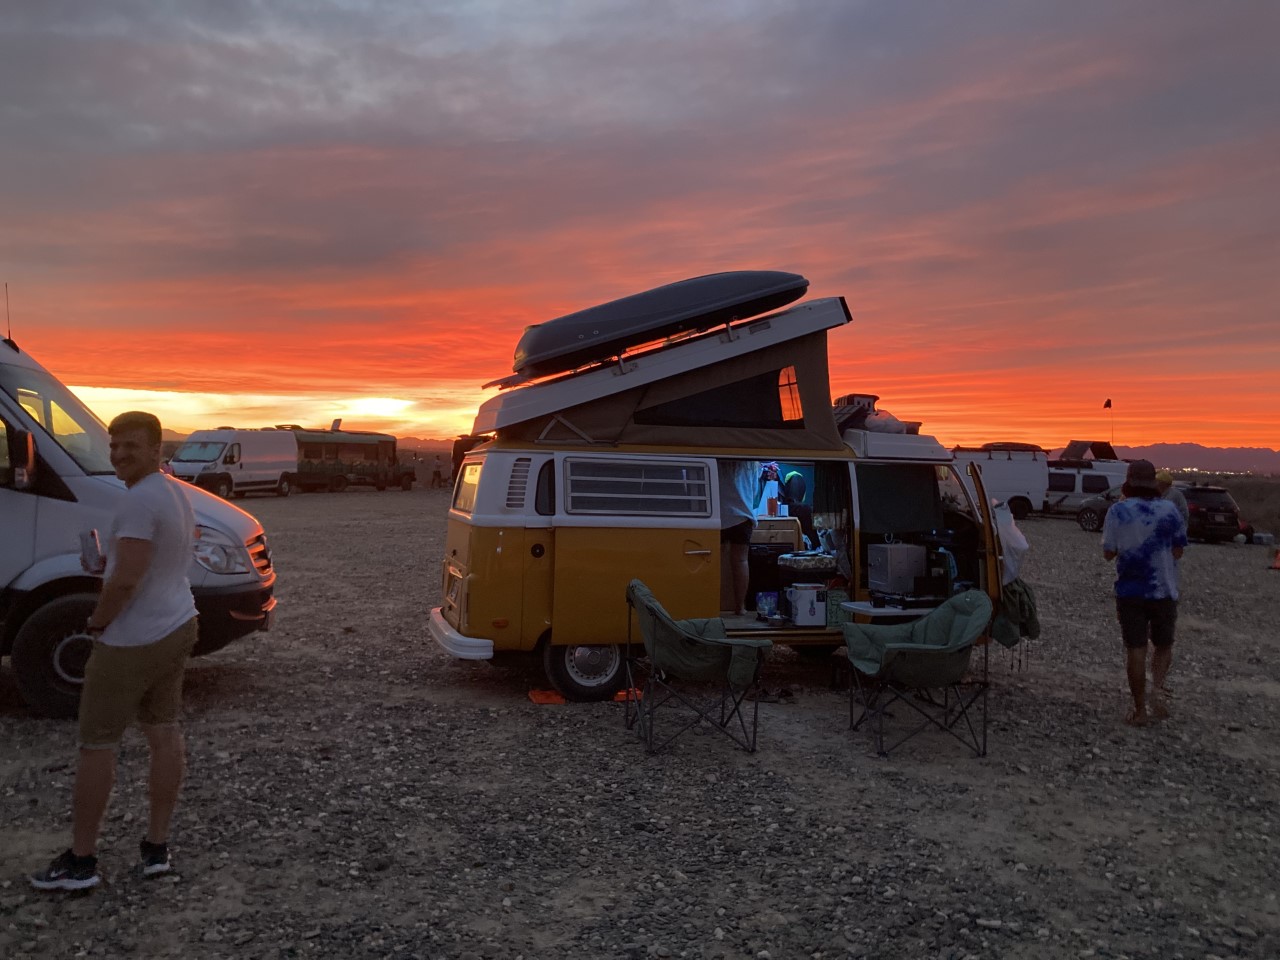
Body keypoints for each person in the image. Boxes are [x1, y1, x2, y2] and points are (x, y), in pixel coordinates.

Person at [30, 412, 199, 891]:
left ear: (155, 449)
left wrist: (98, 622)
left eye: (130, 446)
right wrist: (114, 563)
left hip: (133, 637)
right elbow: (164, 555)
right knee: (163, 731)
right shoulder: (174, 492)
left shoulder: (139, 502)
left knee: (96, 744)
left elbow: (127, 579)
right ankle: (156, 850)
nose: (119, 454)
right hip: (177, 621)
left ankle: (81, 861)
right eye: (114, 445)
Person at [1101, 459, 1187, 727]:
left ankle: (1139, 709)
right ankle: (1157, 688)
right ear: (1154, 483)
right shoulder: (1170, 510)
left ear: (1128, 481)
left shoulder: (1118, 511)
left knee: (1135, 649)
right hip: (1164, 590)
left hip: (1130, 591)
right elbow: (1178, 550)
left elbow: (1108, 553)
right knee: (1163, 645)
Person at [718, 459, 761, 615]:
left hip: (718, 514)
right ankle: (740, 607)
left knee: (711, 561)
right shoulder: (751, 463)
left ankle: (711, 603)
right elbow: (754, 491)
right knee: (741, 561)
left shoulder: (716, 460)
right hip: (743, 517)